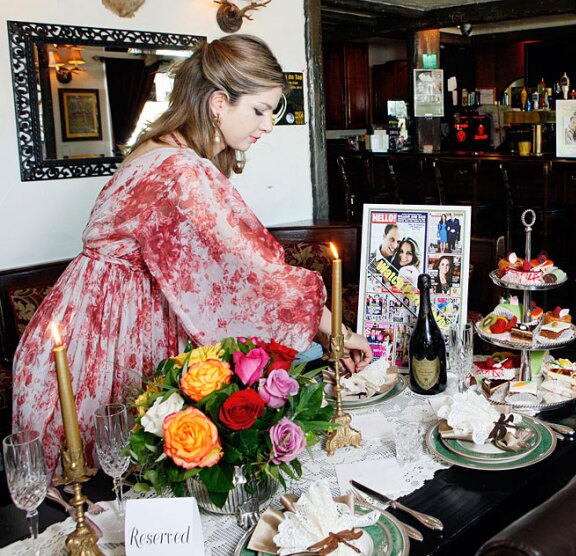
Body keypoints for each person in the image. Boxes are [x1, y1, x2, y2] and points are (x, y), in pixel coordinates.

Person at [12, 34, 371, 471]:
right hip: (107, 341)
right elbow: (252, 273)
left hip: (85, 320)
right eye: (259, 110)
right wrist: (338, 333)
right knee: (116, 486)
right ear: (219, 102)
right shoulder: (180, 170)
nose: (267, 125)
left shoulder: (160, 149)